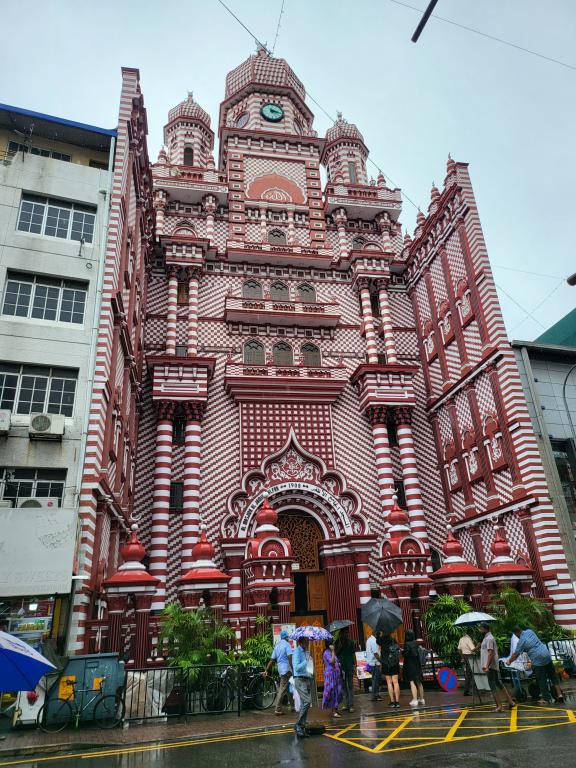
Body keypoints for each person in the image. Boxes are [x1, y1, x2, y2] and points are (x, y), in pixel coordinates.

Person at [508, 626, 564, 705]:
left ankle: (545, 698)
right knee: (553, 676)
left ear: (516, 633)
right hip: (546, 654)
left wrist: (509, 661)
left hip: (538, 659)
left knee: (541, 679)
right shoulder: (530, 631)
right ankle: (559, 694)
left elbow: (516, 654)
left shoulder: (521, 641)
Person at [479, 621, 515, 711]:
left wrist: (487, 666)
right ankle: (510, 702)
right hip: (490, 665)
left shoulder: (489, 639)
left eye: (480, 628)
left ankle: (499, 706)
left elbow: (490, 653)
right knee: (498, 683)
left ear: (484, 629)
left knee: (492, 685)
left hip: (490, 665)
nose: (480, 630)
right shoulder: (487, 638)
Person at [262, 629, 293, 715]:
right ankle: (278, 709)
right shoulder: (287, 645)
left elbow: (271, 660)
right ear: (286, 637)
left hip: (280, 669)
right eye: (288, 637)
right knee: (282, 689)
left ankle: (293, 706)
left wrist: (266, 670)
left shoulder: (277, 646)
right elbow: (290, 657)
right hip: (287, 669)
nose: (288, 639)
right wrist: (293, 668)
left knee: (288, 687)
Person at [292, 636, 312, 738]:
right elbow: (296, 667)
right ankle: (298, 724)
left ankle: (301, 727)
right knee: (307, 701)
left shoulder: (305, 652)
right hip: (299, 680)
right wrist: (306, 661)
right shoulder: (296, 652)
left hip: (306, 679)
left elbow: (307, 666)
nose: (308, 643)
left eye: (308, 642)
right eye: (306, 642)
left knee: (306, 703)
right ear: (301, 642)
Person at [335, 626, 356, 713]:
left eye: (347, 632)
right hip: (343, 667)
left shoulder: (350, 643)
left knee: (348, 687)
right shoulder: (338, 643)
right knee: (345, 687)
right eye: (346, 632)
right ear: (342, 633)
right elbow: (336, 653)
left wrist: (354, 665)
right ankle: (348, 704)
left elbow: (353, 654)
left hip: (346, 667)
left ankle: (350, 705)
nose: (347, 634)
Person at [402, 630, 425, 707]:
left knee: (412, 682)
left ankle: (415, 699)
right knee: (419, 682)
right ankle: (422, 699)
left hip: (410, 665)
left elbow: (406, 654)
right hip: (417, 664)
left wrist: (402, 651)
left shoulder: (407, 644)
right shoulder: (416, 643)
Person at [321, 640, 344, 717]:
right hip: (331, 675)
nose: (334, 645)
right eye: (333, 643)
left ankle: (336, 709)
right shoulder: (327, 652)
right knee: (333, 692)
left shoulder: (330, 652)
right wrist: (333, 651)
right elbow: (332, 662)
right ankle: (333, 711)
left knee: (338, 691)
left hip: (336, 675)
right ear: (329, 645)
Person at [381, 633, 401, 708]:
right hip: (394, 663)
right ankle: (397, 702)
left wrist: (378, 634)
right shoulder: (393, 640)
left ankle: (392, 701)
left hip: (386, 663)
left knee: (389, 683)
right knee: (395, 682)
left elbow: (378, 641)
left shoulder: (382, 641)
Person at [457, 630, 477, 696]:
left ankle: (467, 690)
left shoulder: (461, 639)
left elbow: (459, 650)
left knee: (468, 673)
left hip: (465, 656)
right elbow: (472, 649)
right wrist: (478, 646)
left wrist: (462, 657)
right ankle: (468, 691)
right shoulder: (468, 639)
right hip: (470, 656)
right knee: (471, 673)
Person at [365, 631, 382, 701]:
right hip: (375, 662)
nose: (380, 635)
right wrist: (381, 661)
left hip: (371, 662)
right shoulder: (374, 641)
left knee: (374, 679)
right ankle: (375, 695)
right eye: (380, 633)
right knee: (375, 679)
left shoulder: (369, 640)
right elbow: (376, 653)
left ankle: (376, 694)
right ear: (376, 633)